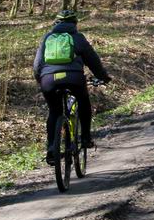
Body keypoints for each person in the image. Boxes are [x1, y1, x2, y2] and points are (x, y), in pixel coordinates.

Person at [33, 10, 112, 165]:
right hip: (74, 78)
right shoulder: (78, 38)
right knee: (83, 102)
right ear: (75, 23)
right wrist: (103, 77)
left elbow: (37, 65)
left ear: (55, 24)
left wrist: (40, 79)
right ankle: (86, 138)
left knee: (54, 111)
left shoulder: (47, 38)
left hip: (48, 80)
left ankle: (51, 148)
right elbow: (93, 61)